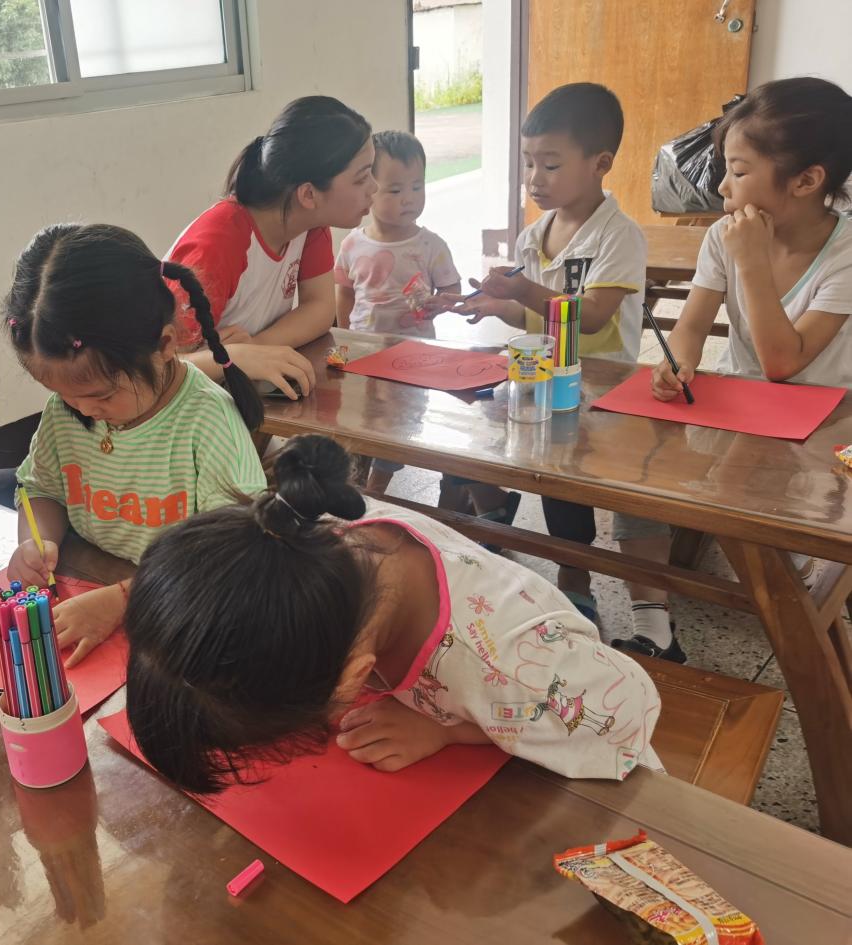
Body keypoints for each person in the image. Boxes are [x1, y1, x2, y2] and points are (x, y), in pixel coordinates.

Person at [123, 434, 661, 795]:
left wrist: (454, 731)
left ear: (354, 678)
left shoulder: (510, 667)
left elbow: (628, 720)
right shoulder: (304, 531)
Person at [449, 83, 673, 656]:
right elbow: (533, 313)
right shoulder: (535, 235)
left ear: (600, 163)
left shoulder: (617, 235)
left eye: (550, 164)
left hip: (603, 387)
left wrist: (520, 288)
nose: (535, 178)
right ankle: (510, 531)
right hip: (540, 377)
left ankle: (577, 577)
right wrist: (491, 304)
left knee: (577, 485)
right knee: (533, 468)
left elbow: (591, 318)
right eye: (529, 163)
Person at [4, 223, 266, 666]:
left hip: (181, 608)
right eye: (64, 394)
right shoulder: (67, 411)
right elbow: (41, 490)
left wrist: (124, 599)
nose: (83, 411)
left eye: (102, 395)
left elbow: (230, 553)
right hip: (89, 577)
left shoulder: (207, 421)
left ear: (165, 345)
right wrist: (35, 543)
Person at [651, 76, 852, 611]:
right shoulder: (723, 237)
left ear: (806, 180)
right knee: (675, 479)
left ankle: (795, 589)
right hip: (743, 407)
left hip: (829, 419)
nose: (722, 187)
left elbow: (783, 363)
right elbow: (691, 325)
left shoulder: (844, 251)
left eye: (738, 172)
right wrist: (678, 361)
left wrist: (752, 261)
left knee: (791, 525)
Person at [167, 95, 377, 399]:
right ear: (308, 194)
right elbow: (159, 368)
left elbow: (320, 309)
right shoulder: (217, 245)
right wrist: (233, 358)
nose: (374, 187)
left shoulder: (311, 225)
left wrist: (254, 347)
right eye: (362, 178)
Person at [334, 129, 462, 494]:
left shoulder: (430, 245)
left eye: (417, 187)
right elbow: (344, 292)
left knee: (400, 421)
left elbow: (452, 289)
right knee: (360, 416)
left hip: (412, 355)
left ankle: (377, 485)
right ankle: (354, 479)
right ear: (369, 189)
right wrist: (344, 339)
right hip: (362, 353)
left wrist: (441, 302)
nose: (409, 199)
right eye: (395, 190)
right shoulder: (353, 243)